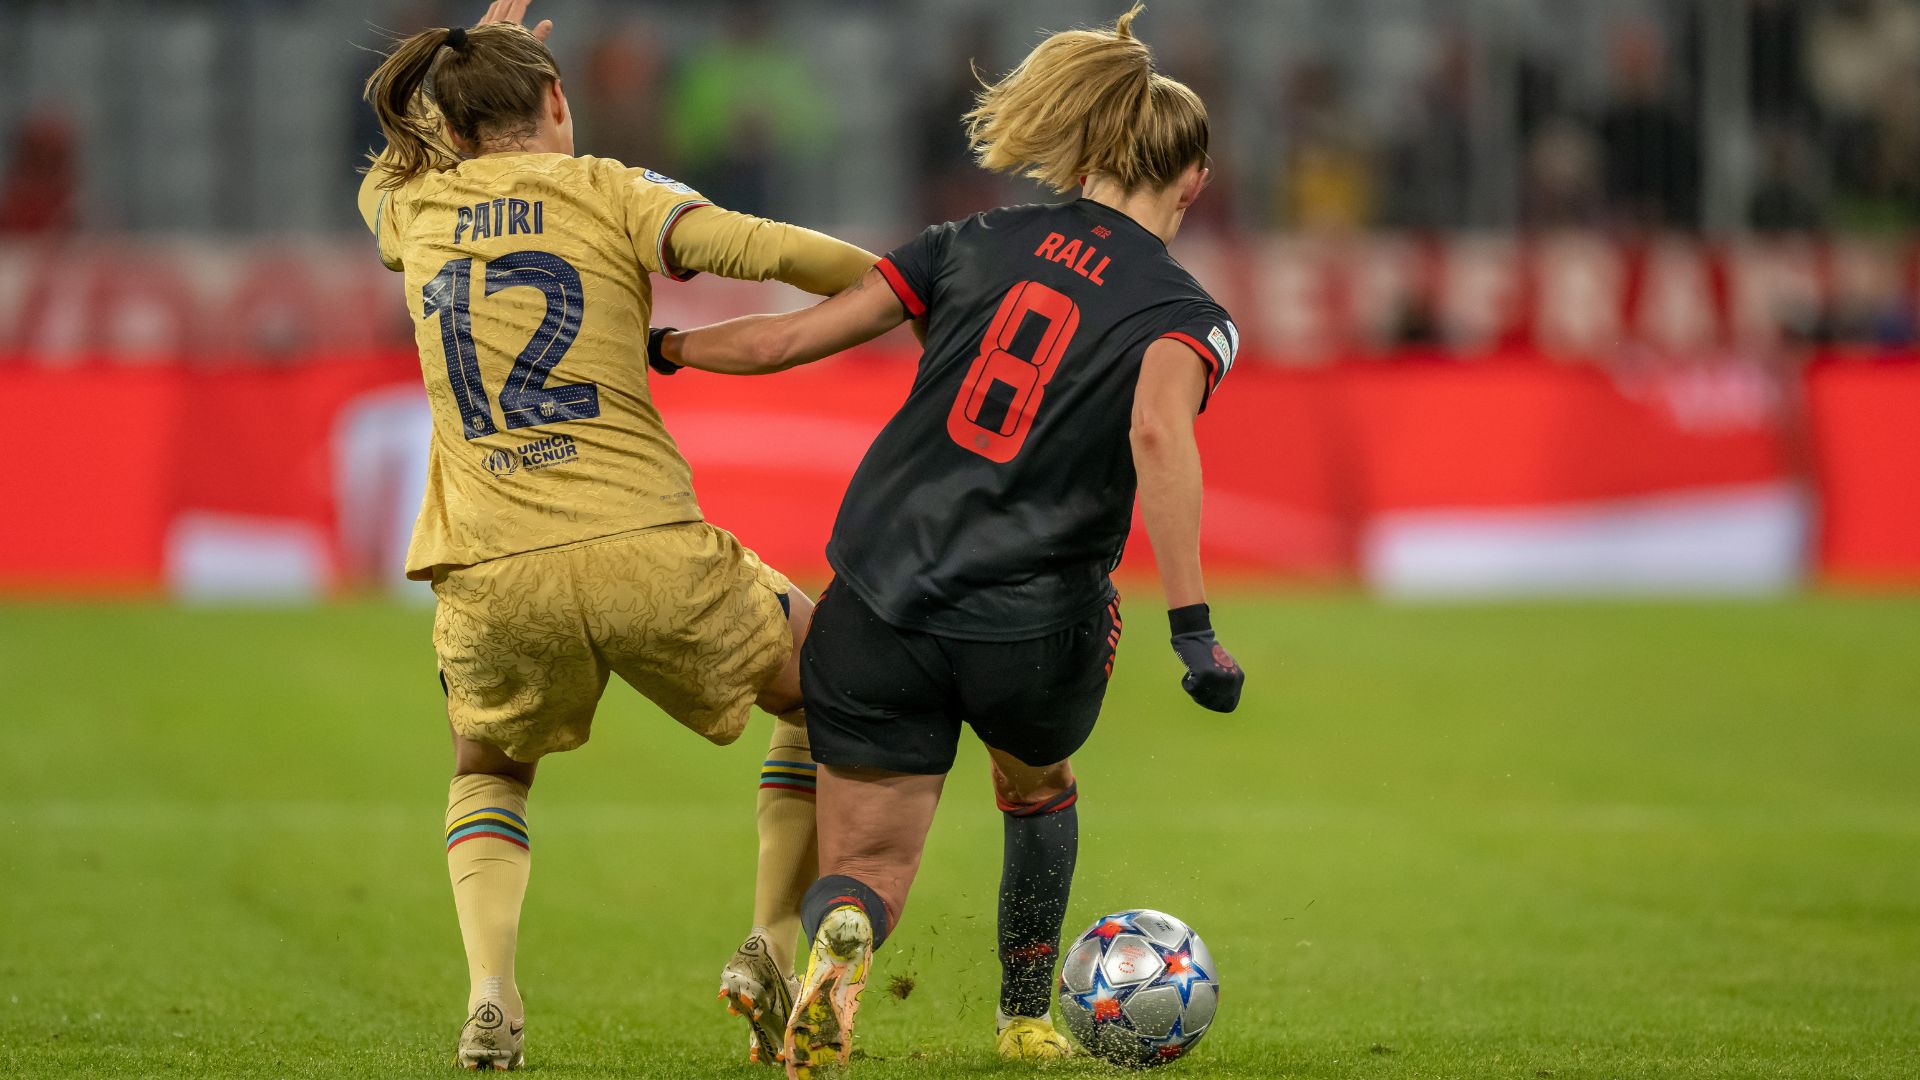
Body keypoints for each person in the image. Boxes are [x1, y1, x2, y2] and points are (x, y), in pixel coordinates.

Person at [646, 6, 1245, 1074]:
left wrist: (668, 343)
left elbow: (787, 336)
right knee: (1037, 785)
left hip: (878, 603)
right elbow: (1158, 432)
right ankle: (1023, 1018)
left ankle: (843, 939)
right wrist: (1194, 629)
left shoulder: (965, 241)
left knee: (868, 862)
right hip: (1028, 627)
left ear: (1092, 149)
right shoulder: (1184, 310)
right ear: (1190, 182)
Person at [354, 2, 876, 1069]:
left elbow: (385, 164)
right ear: (556, 101)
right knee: (832, 680)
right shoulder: (611, 187)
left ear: (447, 129)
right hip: (645, 546)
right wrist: (910, 277)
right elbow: (769, 249)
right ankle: (769, 941)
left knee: (489, 766)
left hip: (492, 566)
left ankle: (492, 992)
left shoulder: (414, 206)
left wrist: (444, 70)